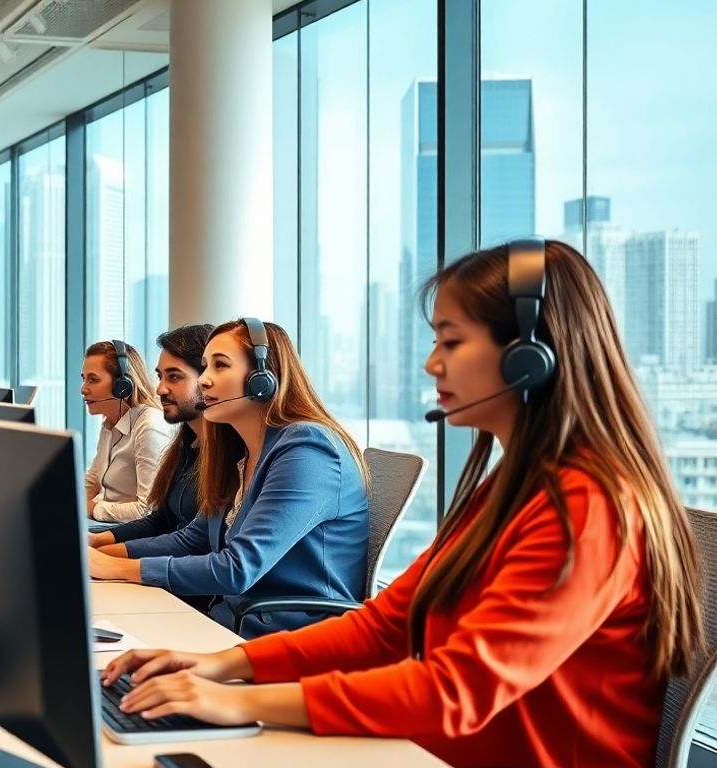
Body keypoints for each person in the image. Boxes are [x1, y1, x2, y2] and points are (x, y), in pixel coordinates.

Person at [100, 240, 704, 768]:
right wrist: (221, 667)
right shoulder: (509, 489)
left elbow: (456, 689)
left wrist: (238, 701)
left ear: (530, 358)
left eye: (452, 340)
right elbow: (386, 624)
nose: (431, 363)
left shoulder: (588, 505)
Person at [88, 319, 369, 638]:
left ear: (263, 378)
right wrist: (94, 555)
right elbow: (192, 540)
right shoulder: (240, 451)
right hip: (231, 623)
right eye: (205, 366)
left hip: (288, 638)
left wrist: (116, 568)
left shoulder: (308, 450)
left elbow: (238, 568)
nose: (205, 380)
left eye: (220, 366)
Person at [89, 324, 214, 549]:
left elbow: (194, 542)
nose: (160, 390)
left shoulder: (152, 424)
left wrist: (109, 559)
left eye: (174, 377)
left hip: (181, 571)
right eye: (160, 377)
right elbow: (161, 519)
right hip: (166, 562)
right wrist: (96, 542)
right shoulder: (186, 443)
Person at [81, 340, 174, 523]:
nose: (83, 389)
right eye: (83, 378)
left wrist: (94, 508)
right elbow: (92, 480)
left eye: (93, 379)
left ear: (123, 385)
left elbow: (148, 510)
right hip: (103, 523)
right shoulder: (110, 423)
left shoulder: (149, 427)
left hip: (128, 532)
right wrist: (69, 501)